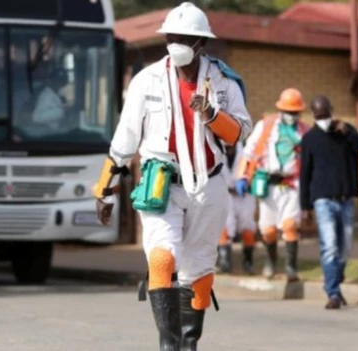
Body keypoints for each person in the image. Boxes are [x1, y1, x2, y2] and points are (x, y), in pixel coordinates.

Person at [92, 2, 252, 350]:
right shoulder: (146, 80)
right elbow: (125, 139)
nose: (175, 43)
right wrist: (106, 189)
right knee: (162, 257)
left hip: (208, 185)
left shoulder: (223, 81)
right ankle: (168, 343)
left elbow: (240, 133)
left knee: (199, 270)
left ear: (201, 43)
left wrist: (212, 114)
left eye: (184, 37)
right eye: (171, 37)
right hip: (161, 183)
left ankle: (189, 343)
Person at [236, 88, 308, 281]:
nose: (292, 116)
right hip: (268, 185)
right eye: (289, 112)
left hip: (292, 184)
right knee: (268, 230)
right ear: (281, 109)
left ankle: (291, 268)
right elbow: (249, 152)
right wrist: (242, 177)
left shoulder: (304, 130)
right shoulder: (266, 126)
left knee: (290, 226)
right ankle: (271, 262)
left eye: (296, 112)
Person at [299, 95, 358, 309]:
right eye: (318, 116)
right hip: (322, 200)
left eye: (325, 115)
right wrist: (305, 206)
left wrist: (350, 134)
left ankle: (336, 276)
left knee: (346, 246)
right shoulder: (309, 139)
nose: (323, 119)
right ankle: (333, 293)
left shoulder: (346, 132)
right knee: (330, 246)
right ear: (313, 115)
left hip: (346, 199)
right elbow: (305, 174)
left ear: (331, 111)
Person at [216, 142, 257, 275]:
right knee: (224, 226)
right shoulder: (214, 146)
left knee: (248, 228)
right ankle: (224, 262)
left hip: (245, 194)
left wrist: (249, 181)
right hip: (224, 193)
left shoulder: (246, 146)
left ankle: (248, 262)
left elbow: (256, 165)